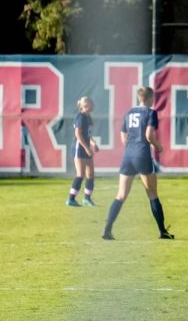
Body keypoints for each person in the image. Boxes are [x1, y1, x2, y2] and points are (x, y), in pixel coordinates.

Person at [101, 86, 174, 240]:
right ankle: (162, 231)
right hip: (142, 154)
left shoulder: (129, 112)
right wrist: (158, 146)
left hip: (128, 155)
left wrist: (131, 148)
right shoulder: (150, 112)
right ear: (150, 98)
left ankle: (107, 229)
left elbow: (123, 136)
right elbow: (148, 135)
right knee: (152, 194)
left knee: (121, 195)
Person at [66, 96, 100, 207]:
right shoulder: (80, 116)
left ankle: (87, 199)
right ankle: (71, 199)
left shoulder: (88, 117)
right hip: (79, 148)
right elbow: (78, 134)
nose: (93, 106)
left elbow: (88, 134)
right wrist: (86, 148)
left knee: (90, 175)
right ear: (85, 105)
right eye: (91, 104)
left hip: (86, 148)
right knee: (80, 174)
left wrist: (93, 143)